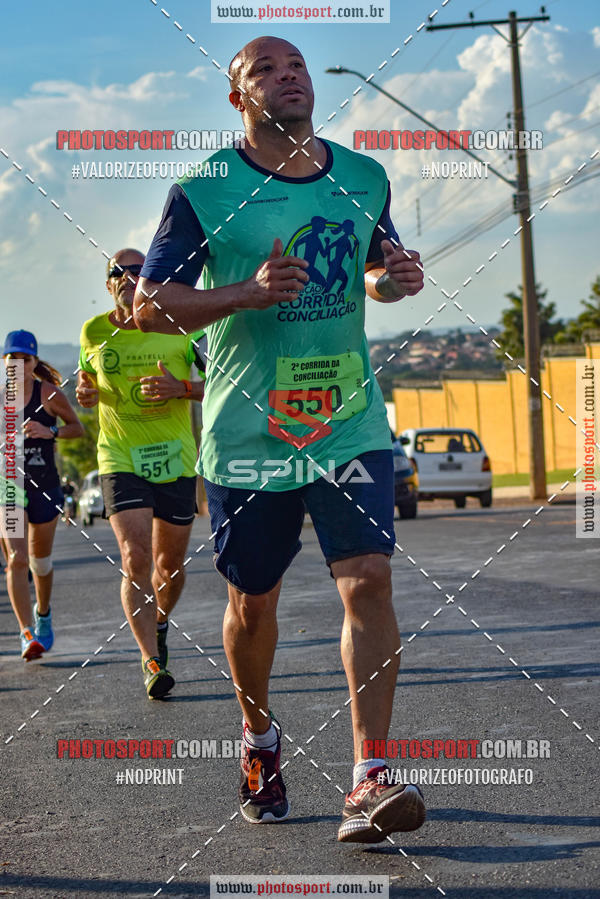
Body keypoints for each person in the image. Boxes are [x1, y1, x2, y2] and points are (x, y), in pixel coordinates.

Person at [134, 36, 425, 840]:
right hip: (249, 434)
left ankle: (370, 776)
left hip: (349, 424)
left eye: (295, 64)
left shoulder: (363, 177)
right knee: (250, 603)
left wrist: (392, 280)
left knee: (368, 578)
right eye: (263, 69)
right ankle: (259, 737)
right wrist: (245, 292)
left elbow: (371, 265)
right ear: (237, 99)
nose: (287, 75)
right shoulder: (205, 188)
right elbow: (152, 304)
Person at [77, 248, 205, 700]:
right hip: (120, 457)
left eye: (139, 270)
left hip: (175, 459)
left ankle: (161, 621)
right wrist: (85, 391)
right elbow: (86, 379)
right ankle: (151, 659)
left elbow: (229, 380)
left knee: (168, 567)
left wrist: (182, 388)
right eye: (119, 271)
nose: (129, 276)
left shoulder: (179, 326)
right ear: (108, 283)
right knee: (135, 558)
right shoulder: (93, 331)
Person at [1, 330, 84, 660]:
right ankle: (26, 633)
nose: (18, 365)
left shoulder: (48, 394)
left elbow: (77, 428)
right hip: (10, 486)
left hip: (45, 486)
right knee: (16, 560)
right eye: (12, 359)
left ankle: (44, 613)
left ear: (34, 363)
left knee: (40, 562)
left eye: (25, 359)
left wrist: (49, 431)